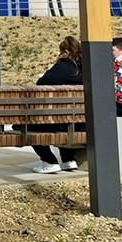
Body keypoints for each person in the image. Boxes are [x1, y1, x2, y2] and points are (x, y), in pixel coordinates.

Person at [29, 36, 84, 173]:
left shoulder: (63, 67)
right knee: (63, 121)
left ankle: (49, 161)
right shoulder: (86, 68)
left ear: (66, 51)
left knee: (31, 125)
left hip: (62, 120)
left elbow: (41, 83)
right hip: (82, 121)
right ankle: (68, 160)